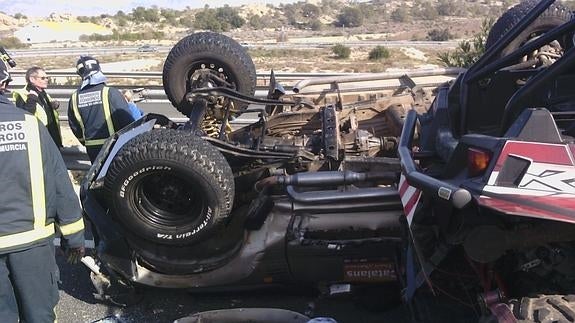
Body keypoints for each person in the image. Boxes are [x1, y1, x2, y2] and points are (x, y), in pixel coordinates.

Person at [0, 56, 85, 322]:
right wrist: (74, 238)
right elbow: (59, 181)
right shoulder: (28, 125)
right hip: (32, 244)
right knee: (39, 314)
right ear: (4, 82)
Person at [67, 56, 135, 163]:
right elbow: (127, 121)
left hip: (92, 148)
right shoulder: (110, 93)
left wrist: (85, 142)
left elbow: (74, 126)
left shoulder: (74, 98)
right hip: (114, 146)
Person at [13, 66, 63, 147]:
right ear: (32, 79)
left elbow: (44, 110)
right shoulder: (24, 94)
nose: (46, 80)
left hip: (50, 136)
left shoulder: (42, 92)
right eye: (43, 78)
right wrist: (31, 100)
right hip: (38, 140)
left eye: (47, 78)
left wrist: (53, 105)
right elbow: (24, 116)